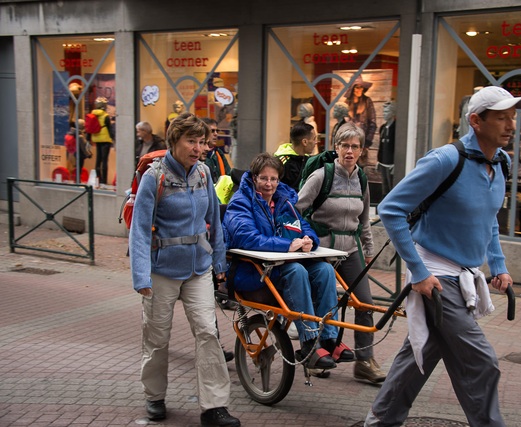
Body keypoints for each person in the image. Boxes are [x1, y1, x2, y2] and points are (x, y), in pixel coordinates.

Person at [364, 86, 521, 427]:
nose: (510, 125)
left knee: (420, 355)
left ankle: (380, 420)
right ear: (476, 120)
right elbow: (392, 209)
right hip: (436, 275)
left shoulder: (502, 163)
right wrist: (418, 272)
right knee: (482, 361)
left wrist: (498, 265)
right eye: (501, 118)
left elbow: (488, 220)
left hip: (465, 271)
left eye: (512, 117)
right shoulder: (445, 160)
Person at [128, 112, 240, 427]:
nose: (197, 147)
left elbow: (215, 222)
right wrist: (141, 276)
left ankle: (214, 406)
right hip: (161, 270)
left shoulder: (204, 174)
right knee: (157, 337)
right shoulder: (155, 177)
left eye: (201, 141)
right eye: (191, 141)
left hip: (198, 269)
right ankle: (154, 395)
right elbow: (139, 230)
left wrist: (219, 262)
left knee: (207, 332)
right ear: (175, 141)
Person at [223, 152, 355, 370]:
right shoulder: (240, 202)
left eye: (274, 179)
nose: (269, 184)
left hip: (277, 268)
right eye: (264, 178)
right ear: (254, 178)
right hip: (252, 272)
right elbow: (245, 237)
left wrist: (308, 240)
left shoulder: (284, 200)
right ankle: (309, 342)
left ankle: (330, 339)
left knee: (324, 270)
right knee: (297, 271)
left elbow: (303, 226)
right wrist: (286, 245)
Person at [297, 122, 385, 383]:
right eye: (344, 145)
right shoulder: (321, 176)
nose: (349, 151)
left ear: (361, 151)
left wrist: (368, 249)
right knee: (323, 302)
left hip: (351, 249)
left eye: (355, 146)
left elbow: (365, 218)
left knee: (365, 303)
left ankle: (365, 361)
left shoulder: (361, 178)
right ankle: (317, 353)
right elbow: (296, 209)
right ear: (336, 148)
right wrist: (304, 238)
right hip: (323, 248)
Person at [274, 121, 317, 189]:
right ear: (304, 142)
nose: (316, 142)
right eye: (314, 139)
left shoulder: (309, 160)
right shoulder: (281, 162)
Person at [344, 75, 377, 164]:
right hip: (348, 143)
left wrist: (366, 143)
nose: (360, 90)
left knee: (360, 170)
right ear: (352, 88)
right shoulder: (347, 102)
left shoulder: (367, 101)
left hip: (361, 143)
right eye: (357, 87)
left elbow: (372, 123)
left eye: (361, 87)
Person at [89, 97, 114, 185]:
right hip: (105, 139)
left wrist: (89, 139)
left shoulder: (93, 114)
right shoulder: (105, 116)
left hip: (96, 138)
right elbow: (110, 128)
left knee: (98, 160)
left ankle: (98, 179)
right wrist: (113, 139)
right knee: (104, 160)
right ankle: (104, 180)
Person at [202, 118, 231, 184]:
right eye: (212, 131)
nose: (216, 134)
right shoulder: (197, 155)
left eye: (217, 131)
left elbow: (228, 175)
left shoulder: (218, 153)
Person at [377, 101, 396, 198]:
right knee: (384, 187)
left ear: (393, 112)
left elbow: (397, 146)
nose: (384, 114)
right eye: (383, 112)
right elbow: (381, 145)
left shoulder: (396, 128)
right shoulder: (383, 128)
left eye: (387, 112)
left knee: (391, 186)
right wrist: (379, 160)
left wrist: (395, 162)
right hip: (383, 162)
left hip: (391, 164)